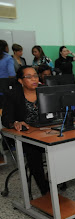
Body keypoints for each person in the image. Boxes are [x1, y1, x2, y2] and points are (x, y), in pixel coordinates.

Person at [1, 66, 49, 195]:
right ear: (21, 81)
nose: (34, 79)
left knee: (65, 144)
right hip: (25, 136)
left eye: (35, 76)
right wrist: (15, 122)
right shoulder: (12, 95)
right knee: (33, 152)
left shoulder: (45, 90)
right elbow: (5, 119)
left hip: (47, 131)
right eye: (29, 77)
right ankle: (45, 190)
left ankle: (53, 177)